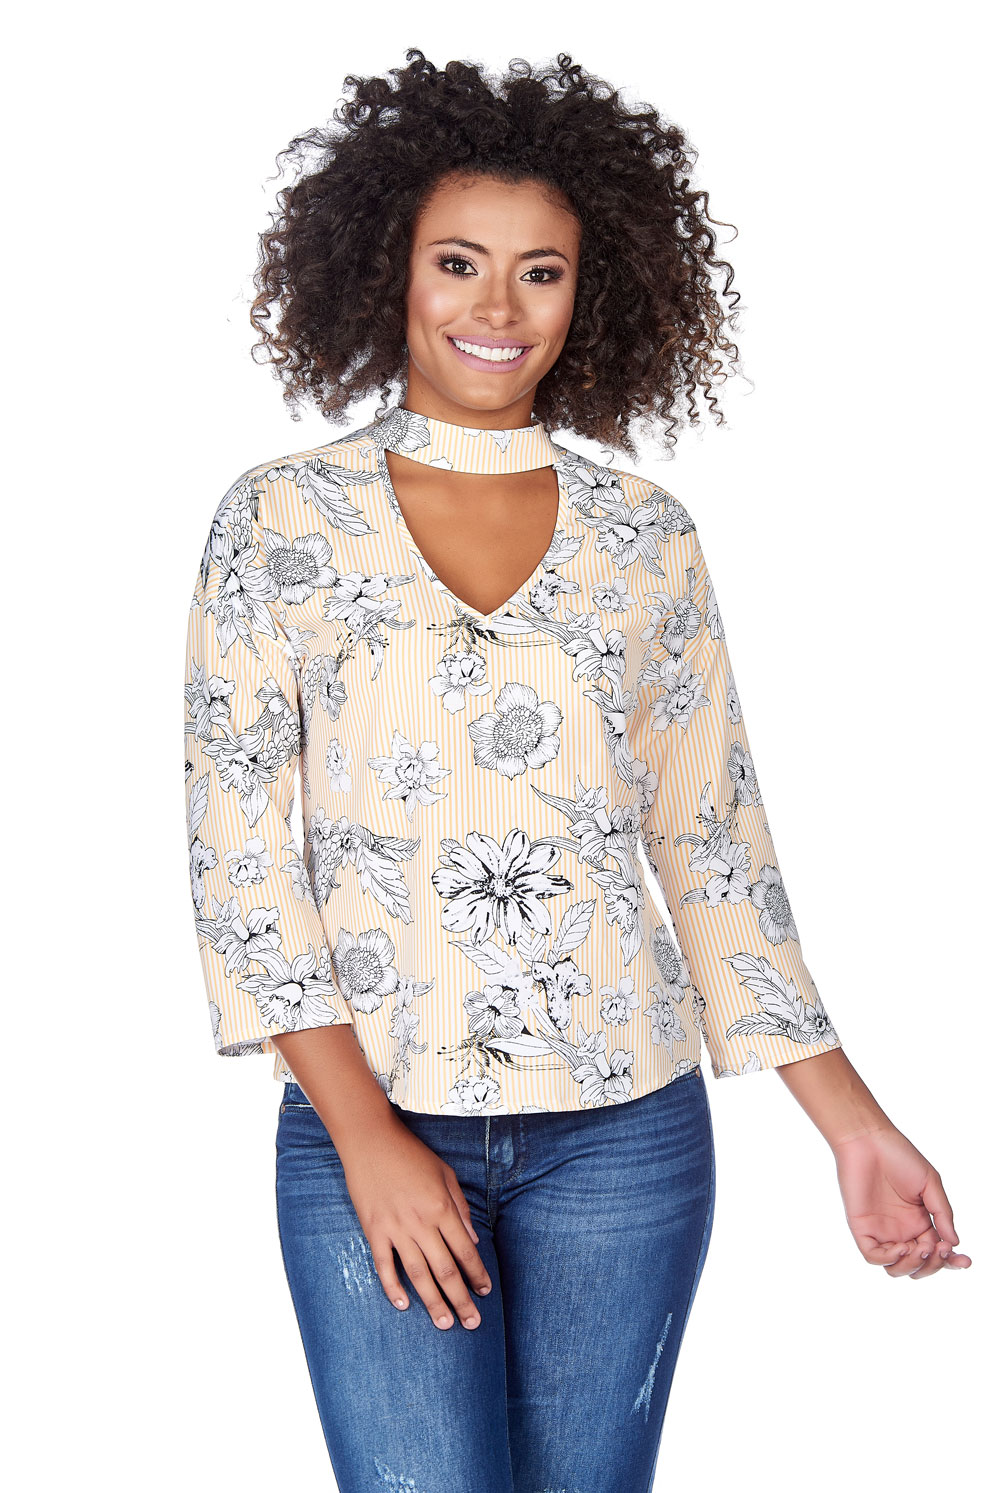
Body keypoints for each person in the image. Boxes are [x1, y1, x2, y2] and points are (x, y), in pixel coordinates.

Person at [182, 48, 970, 1493]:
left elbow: (711, 848)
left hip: (627, 1141)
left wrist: (853, 1125)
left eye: (539, 273)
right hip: (373, 1119)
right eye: (459, 263)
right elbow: (241, 870)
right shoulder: (281, 520)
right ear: (386, 268)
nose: (498, 309)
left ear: (587, 293)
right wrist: (368, 1140)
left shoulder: (644, 535)